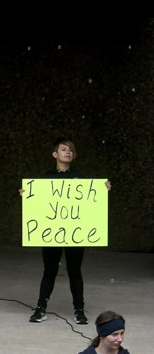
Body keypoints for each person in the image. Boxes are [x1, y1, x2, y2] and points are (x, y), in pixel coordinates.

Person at [24, 138, 111, 324]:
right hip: (51, 233)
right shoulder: (46, 178)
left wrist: (103, 190)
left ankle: (79, 310)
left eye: (71, 150)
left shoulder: (80, 178)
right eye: (64, 149)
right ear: (55, 154)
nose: (68, 152)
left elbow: (91, 201)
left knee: (75, 271)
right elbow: (38, 205)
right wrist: (27, 195)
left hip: (74, 234)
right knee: (49, 271)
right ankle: (41, 308)